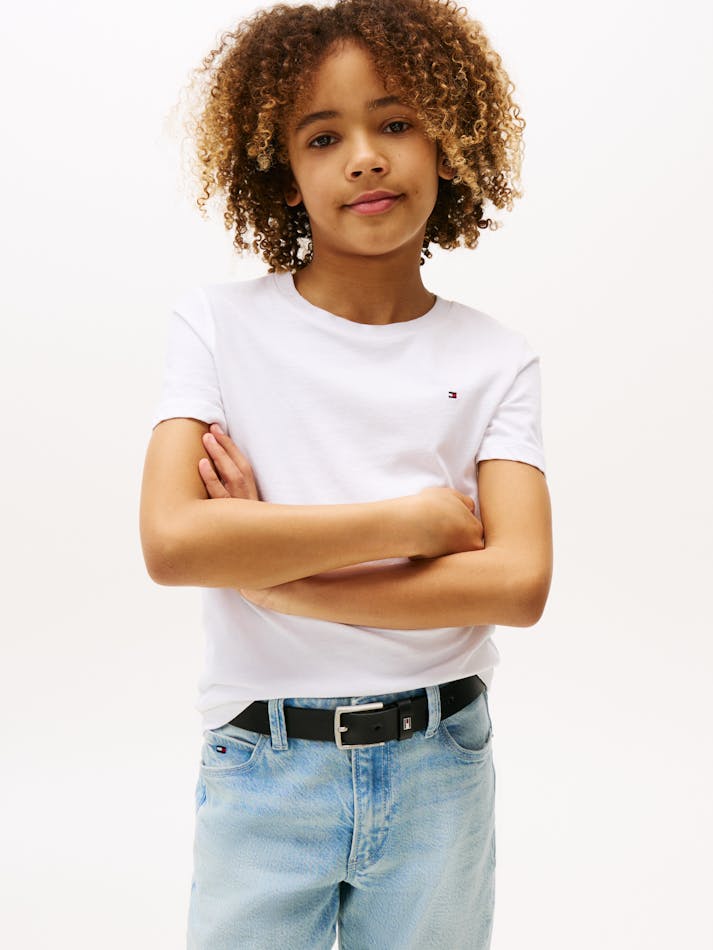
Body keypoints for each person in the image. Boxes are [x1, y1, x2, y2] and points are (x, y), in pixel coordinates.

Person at [139, 0, 553, 947]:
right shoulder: (217, 326)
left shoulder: (496, 358)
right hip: (264, 761)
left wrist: (276, 581)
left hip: (440, 763)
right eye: (323, 137)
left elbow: (517, 584)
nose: (365, 157)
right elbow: (173, 541)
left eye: (395, 123)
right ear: (283, 178)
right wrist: (411, 523)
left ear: (446, 146)